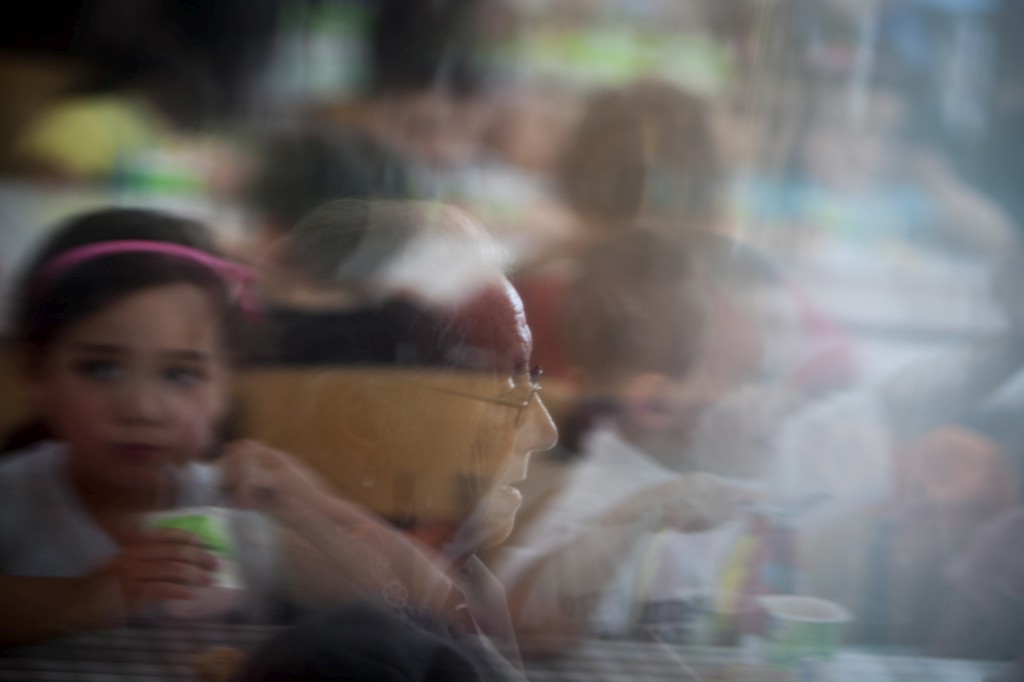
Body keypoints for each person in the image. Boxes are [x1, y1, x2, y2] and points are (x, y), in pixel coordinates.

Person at [0, 207, 500, 655]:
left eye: (181, 375)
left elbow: (455, 615)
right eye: (101, 368)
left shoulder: (231, 513)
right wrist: (90, 597)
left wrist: (320, 508)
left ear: (225, 388)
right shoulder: (15, 504)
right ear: (36, 373)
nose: (142, 408)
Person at [490, 230, 755, 649]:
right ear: (654, 402)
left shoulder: (704, 487)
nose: (731, 396)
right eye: (716, 373)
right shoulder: (595, 503)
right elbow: (522, 623)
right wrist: (639, 513)